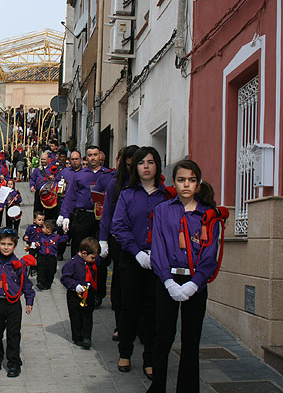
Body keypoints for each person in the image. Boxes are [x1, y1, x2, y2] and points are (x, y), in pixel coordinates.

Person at [148, 160, 223, 393]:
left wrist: (195, 283)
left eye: (191, 180)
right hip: (168, 281)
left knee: (191, 341)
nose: (186, 184)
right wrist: (168, 281)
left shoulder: (209, 214)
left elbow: (210, 253)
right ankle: (157, 386)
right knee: (163, 337)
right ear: (174, 182)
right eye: (181, 180)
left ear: (198, 184)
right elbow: (157, 249)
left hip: (195, 284)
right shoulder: (162, 210)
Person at [111, 147, 168, 378]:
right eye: (141, 162)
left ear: (157, 166)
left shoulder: (166, 196)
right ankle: (125, 352)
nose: (146, 166)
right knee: (130, 308)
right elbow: (118, 226)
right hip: (132, 259)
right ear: (135, 167)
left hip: (158, 261)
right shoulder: (127, 194)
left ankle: (150, 359)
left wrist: (157, 253)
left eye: (151, 162)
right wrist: (137, 252)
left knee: (152, 310)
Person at [0, 229, 35, 378]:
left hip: (13, 304)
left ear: (15, 246)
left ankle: (14, 363)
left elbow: (26, 284)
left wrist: (29, 300)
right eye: (3, 244)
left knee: (13, 334)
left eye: (9, 244)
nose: (6, 247)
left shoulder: (19, 265)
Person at [98, 145, 139, 342]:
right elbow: (106, 213)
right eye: (128, 164)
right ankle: (120, 323)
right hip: (118, 240)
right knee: (120, 284)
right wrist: (103, 239)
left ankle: (139, 324)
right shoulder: (115, 183)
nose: (132, 168)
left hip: (140, 241)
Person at [59, 145, 111, 259]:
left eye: (95, 155)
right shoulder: (79, 176)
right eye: (90, 155)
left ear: (100, 156)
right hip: (83, 216)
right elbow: (70, 197)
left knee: (100, 252)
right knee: (79, 247)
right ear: (86, 158)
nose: (93, 158)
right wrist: (65, 215)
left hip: (102, 217)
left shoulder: (108, 175)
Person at [60, 237, 100, 349]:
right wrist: (74, 286)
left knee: (88, 316)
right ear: (84, 253)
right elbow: (65, 278)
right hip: (75, 295)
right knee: (76, 316)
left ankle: (87, 337)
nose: (94, 260)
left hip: (89, 293)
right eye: (92, 257)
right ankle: (77, 337)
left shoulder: (91, 262)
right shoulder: (72, 264)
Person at [35, 219, 67, 290]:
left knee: (51, 271)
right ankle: (40, 282)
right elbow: (38, 241)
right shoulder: (41, 236)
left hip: (51, 257)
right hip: (42, 256)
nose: (42, 229)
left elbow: (64, 239)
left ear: (49, 230)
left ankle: (47, 283)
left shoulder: (56, 237)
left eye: (44, 228)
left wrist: (65, 232)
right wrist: (38, 244)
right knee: (41, 270)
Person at [30, 152, 59, 218]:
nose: (42, 161)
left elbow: (58, 178)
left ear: (48, 159)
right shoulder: (37, 169)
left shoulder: (53, 168)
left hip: (49, 194)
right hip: (39, 193)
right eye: (42, 159)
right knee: (37, 211)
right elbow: (32, 178)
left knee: (49, 212)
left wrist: (54, 178)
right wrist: (32, 186)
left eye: (44, 159)